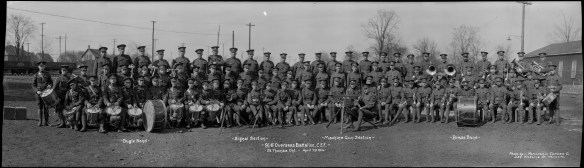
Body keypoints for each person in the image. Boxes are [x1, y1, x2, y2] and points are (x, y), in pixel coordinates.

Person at [32, 61, 53, 126]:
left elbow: (51, 82)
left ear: (44, 67)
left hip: (46, 93)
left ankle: (46, 122)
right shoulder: (36, 75)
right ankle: (40, 122)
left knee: (46, 107)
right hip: (39, 93)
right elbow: (33, 84)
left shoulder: (48, 74)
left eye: (43, 66)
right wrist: (36, 91)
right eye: (40, 66)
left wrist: (50, 85)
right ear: (38, 67)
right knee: (39, 107)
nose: (42, 67)